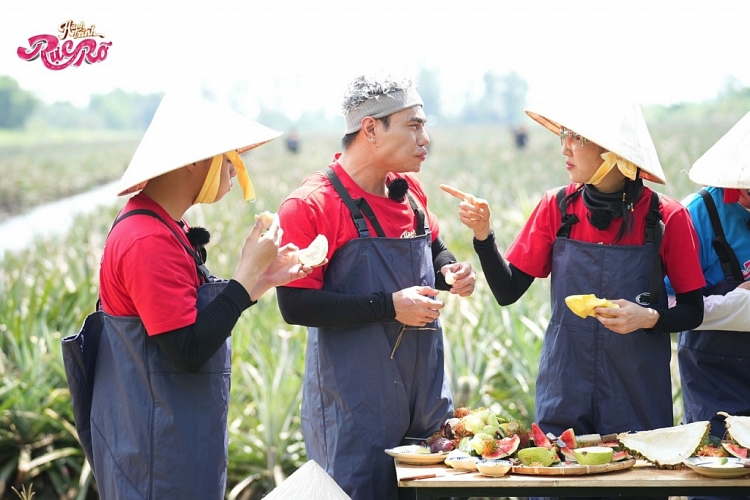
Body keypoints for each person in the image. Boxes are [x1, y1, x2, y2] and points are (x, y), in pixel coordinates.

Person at [75, 91, 312, 499]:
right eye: (231, 159)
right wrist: (245, 273)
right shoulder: (147, 239)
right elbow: (185, 349)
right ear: (193, 161)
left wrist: (262, 279)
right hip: (156, 455)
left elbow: (189, 319)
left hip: (173, 439)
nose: (236, 173)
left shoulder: (166, 226)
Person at [441, 96, 706, 440]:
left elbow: (693, 310)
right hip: (564, 388)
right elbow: (508, 292)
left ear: (615, 152)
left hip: (637, 393)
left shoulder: (667, 218)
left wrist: (649, 317)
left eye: (578, 138)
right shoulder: (556, 207)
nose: (565, 147)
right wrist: (483, 235)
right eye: (564, 134)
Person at [275, 74, 476, 500]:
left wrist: (452, 271)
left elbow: (436, 248)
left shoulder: (410, 194)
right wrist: (388, 306)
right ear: (370, 129)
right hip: (355, 412)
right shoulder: (312, 205)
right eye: (414, 125)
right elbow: (294, 304)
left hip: (426, 404)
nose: (425, 138)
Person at [668, 110, 750, 443]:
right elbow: (669, 303)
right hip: (712, 372)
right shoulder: (696, 215)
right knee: (716, 468)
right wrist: (737, 300)